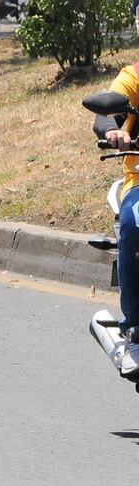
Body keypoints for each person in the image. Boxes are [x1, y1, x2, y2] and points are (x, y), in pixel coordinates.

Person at [96, 65, 139, 376]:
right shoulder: (135, 76)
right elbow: (105, 114)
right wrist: (114, 130)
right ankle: (133, 330)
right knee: (134, 225)